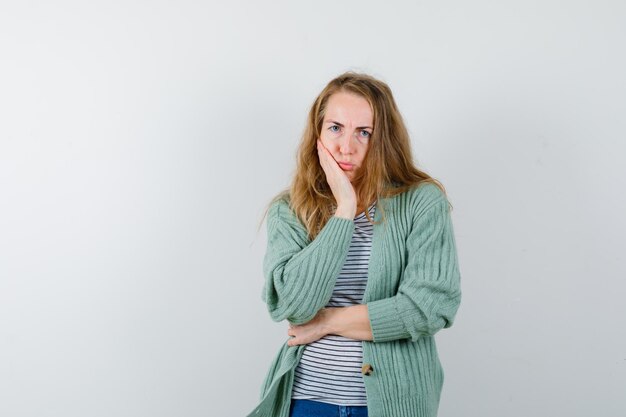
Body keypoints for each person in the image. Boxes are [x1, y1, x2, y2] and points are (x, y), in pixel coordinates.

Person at [247, 72, 462, 417]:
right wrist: (344, 211)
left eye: (365, 132)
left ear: (383, 140)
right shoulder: (289, 210)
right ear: (317, 133)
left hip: (394, 402)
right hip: (306, 400)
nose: (347, 146)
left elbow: (430, 305)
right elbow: (293, 306)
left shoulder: (422, 202)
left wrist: (329, 321)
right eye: (335, 128)